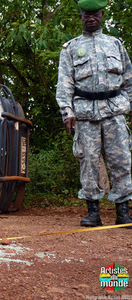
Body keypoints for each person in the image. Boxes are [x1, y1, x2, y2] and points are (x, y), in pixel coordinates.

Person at [56, 0, 132, 227]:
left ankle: (123, 212)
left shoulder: (115, 45)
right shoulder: (70, 48)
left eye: (95, 14)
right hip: (85, 115)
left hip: (114, 111)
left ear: (101, 15)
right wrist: (66, 111)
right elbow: (64, 84)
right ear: (80, 16)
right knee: (88, 163)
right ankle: (93, 212)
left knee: (121, 161)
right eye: (86, 14)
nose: (91, 18)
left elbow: (128, 80)